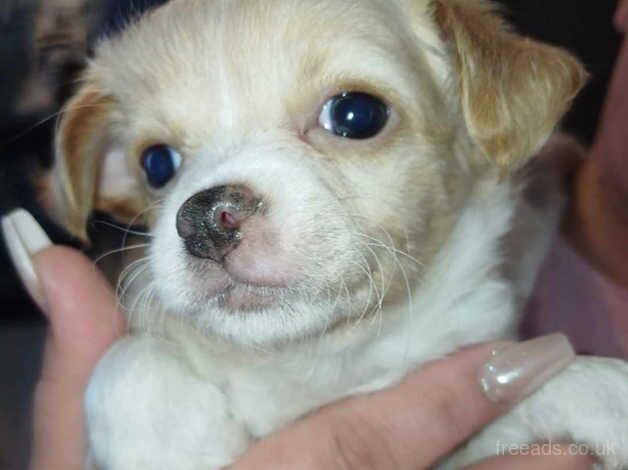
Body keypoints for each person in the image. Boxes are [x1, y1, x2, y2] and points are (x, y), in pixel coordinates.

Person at [2, 2, 627, 468]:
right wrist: (128, 388)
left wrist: (565, 403)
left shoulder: (564, 397)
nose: (213, 211)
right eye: (162, 163)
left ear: (482, 113)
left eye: (353, 116)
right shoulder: (156, 385)